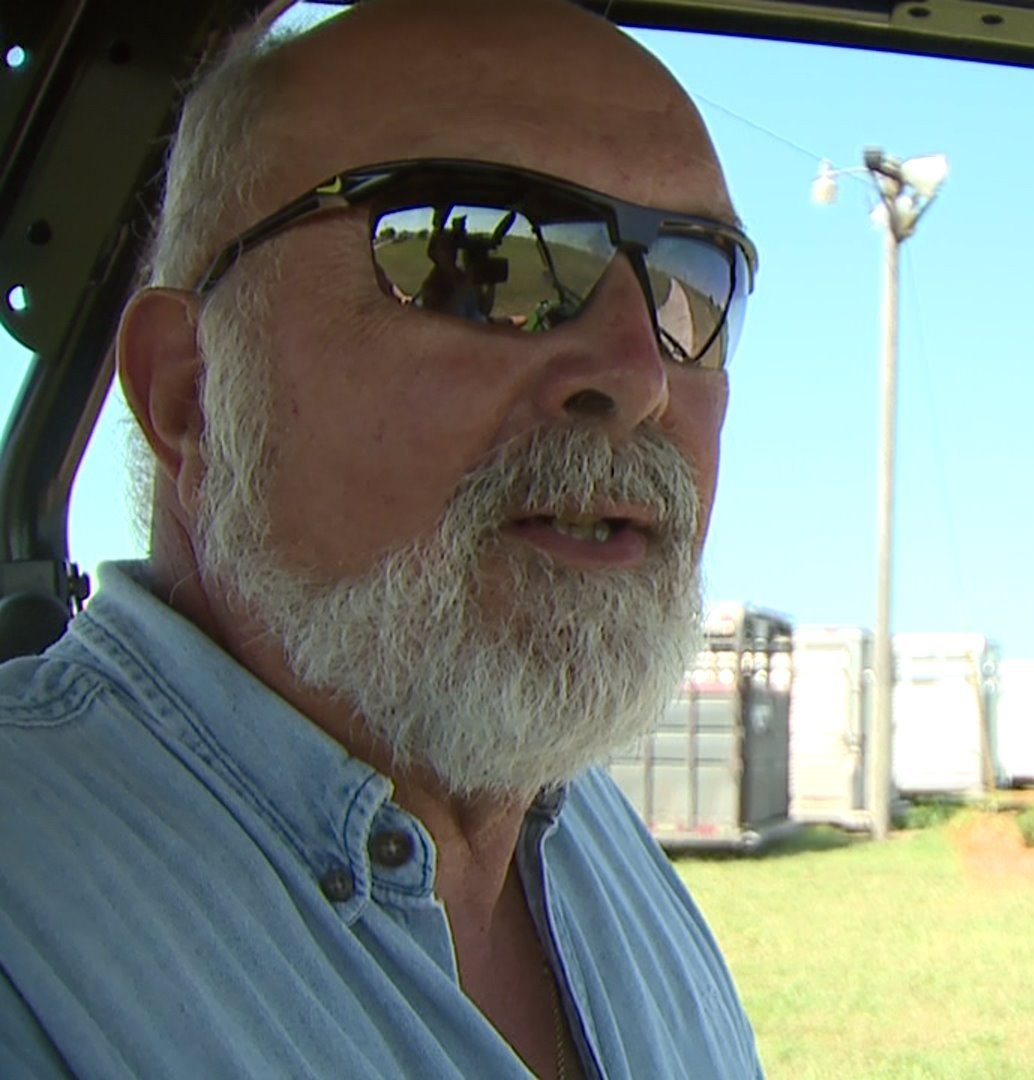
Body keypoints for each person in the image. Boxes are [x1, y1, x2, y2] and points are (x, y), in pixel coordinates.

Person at [0, 0, 764, 1076]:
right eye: (482, 258)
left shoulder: (575, 823)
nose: (641, 376)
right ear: (191, 391)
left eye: (698, 286)